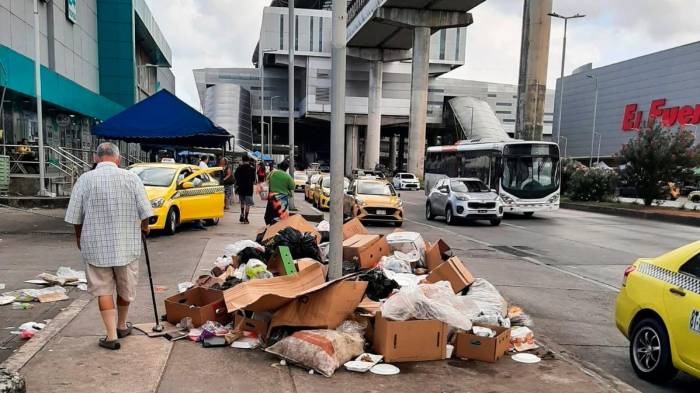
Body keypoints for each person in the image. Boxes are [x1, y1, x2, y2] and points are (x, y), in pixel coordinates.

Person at [64, 142, 152, 350]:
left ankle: (111, 336)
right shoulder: (131, 178)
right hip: (127, 244)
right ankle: (122, 325)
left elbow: (76, 217)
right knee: (125, 288)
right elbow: (146, 211)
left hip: (95, 246)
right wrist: (145, 229)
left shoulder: (85, 180)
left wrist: (79, 238)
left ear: (96, 158)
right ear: (118, 158)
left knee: (103, 290)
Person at [264, 160, 295, 225]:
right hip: (283, 200)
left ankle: (270, 229)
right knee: (279, 218)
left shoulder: (272, 173)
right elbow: (292, 188)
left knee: (269, 216)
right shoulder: (288, 177)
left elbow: (267, 181)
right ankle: (277, 231)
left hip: (272, 198)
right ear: (286, 168)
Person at [234, 156, 256, 223]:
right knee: (248, 204)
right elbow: (253, 180)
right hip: (249, 188)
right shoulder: (252, 169)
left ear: (242, 160)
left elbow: (235, 176)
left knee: (242, 202)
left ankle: (242, 214)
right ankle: (246, 218)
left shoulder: (239, 168)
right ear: (248, 161)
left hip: (241, 188)